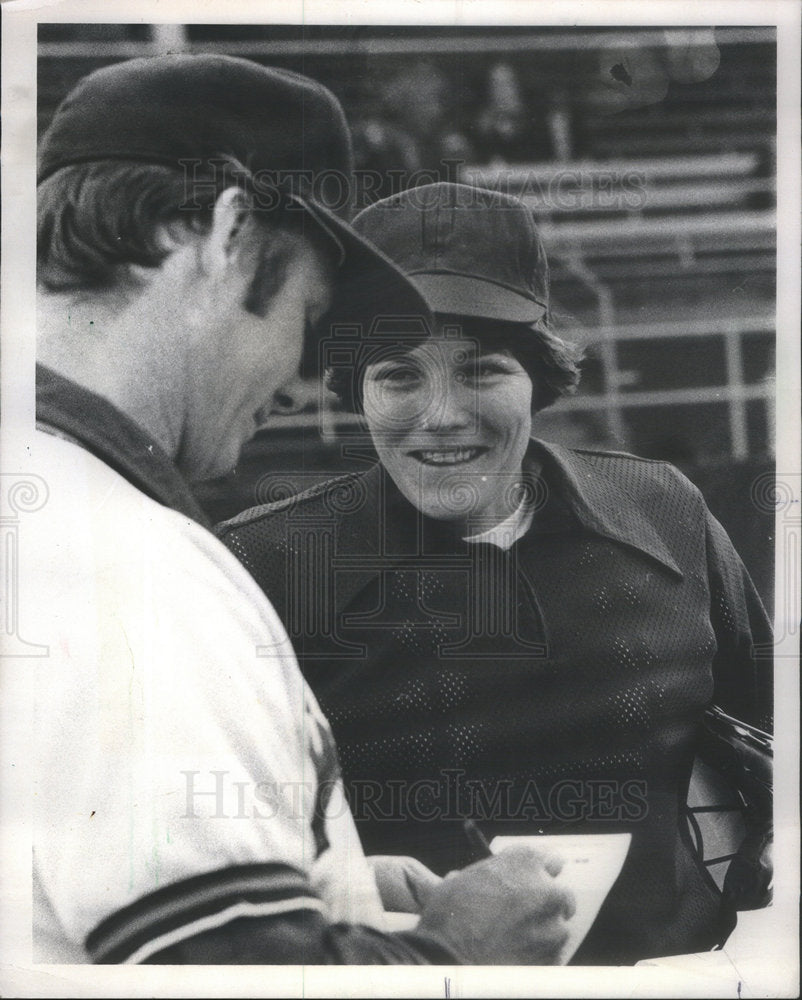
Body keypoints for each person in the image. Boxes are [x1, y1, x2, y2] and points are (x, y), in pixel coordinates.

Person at [30, 58, 576, 965]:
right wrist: (455, 955)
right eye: (311, 314)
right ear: (228, 232)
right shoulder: (135, 571)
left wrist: (336, 883)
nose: (302, 380)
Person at [217, 182, 774, 965]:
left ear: (539, 381)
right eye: (399, 377)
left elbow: (770, 733)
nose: (441, 413)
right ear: (355, 393)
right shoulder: (264, 565)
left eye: (481, 371)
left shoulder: (664, 509)